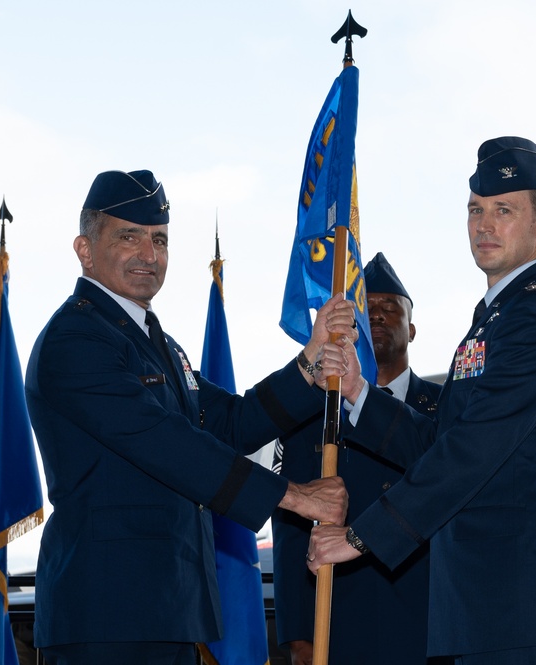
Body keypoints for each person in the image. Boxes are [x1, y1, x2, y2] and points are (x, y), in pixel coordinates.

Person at [24, 169, 356, 665]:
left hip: (168, 611)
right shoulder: (77, 340)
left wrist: (308, 366)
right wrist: (295, 497)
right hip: (107, 617)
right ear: (85, 250)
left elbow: (233, 422)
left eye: (159, 240)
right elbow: (167, 445)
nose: (149, 255)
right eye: (129, 237)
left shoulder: (156, 344)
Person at [308, 138, 536, 664]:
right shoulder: (496, 317)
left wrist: (362, 537)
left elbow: (471, 452)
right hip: (478, 606)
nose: (484, 226)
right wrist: (358, 393)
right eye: (475, 210)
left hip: (518, 606)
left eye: (504, 211)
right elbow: (437, 439)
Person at [271, 252, 447, 665]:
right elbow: (291, 526)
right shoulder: (315, 414)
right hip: (341, 621)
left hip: (430, 623)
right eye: (369, 309)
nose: (379, 316)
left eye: (391, 308)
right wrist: (298, 635)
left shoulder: (443, 412)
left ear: (413, 328)